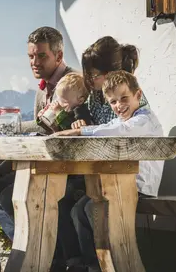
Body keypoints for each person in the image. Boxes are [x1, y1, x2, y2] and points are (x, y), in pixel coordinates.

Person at [0, 26, 83, 271]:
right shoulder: (43, 88)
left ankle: (44, 255)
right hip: (43, 162)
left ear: (58, 56)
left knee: (12, 194)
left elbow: (58, 129)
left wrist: (9, 125)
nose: (34, 62)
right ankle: (32, 249)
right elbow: (38, 133)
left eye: (41, 56)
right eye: (31, 56)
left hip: (69, 169)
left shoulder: (74, 83)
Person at [54, 70, 164, 272]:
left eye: (124, 98)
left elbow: (119, 131)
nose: (119, 106)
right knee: (79, 209)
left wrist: (80, 131)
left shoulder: (143, 120)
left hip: (140, 187)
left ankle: (106, 265)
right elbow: (109, 126)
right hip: (119, 185)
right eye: (113, 102)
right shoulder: (121, 120)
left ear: (138, 95)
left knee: (92, 208)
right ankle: (92, 265)